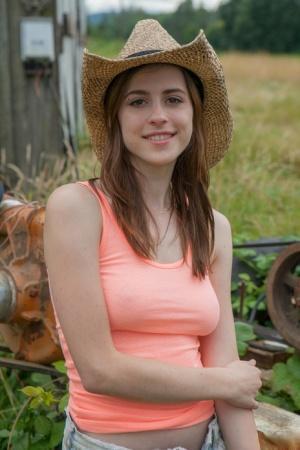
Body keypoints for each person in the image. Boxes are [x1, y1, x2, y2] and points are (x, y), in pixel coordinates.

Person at [44, 19, 262, 450]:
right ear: (116, 119)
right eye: (138, 101)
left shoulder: (212, 227)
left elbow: (226, 367)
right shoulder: (79, 209)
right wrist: (220, 381)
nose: (158, 115)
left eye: (173, 99)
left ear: (193, 114)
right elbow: (99, 370)